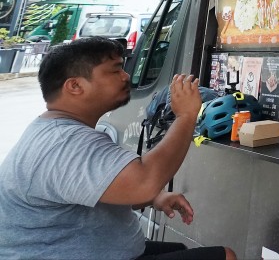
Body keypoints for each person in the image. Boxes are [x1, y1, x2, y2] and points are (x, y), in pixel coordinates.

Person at [0, 38, 236, 260]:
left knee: (179, 250)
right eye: (115, 70)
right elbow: (143, 183)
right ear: (74, 86)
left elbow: (95, 187)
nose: (125, 76)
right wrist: (185, 115)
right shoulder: (66, 143)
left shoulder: (55, 131)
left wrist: (154, 196)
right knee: (225, 256)